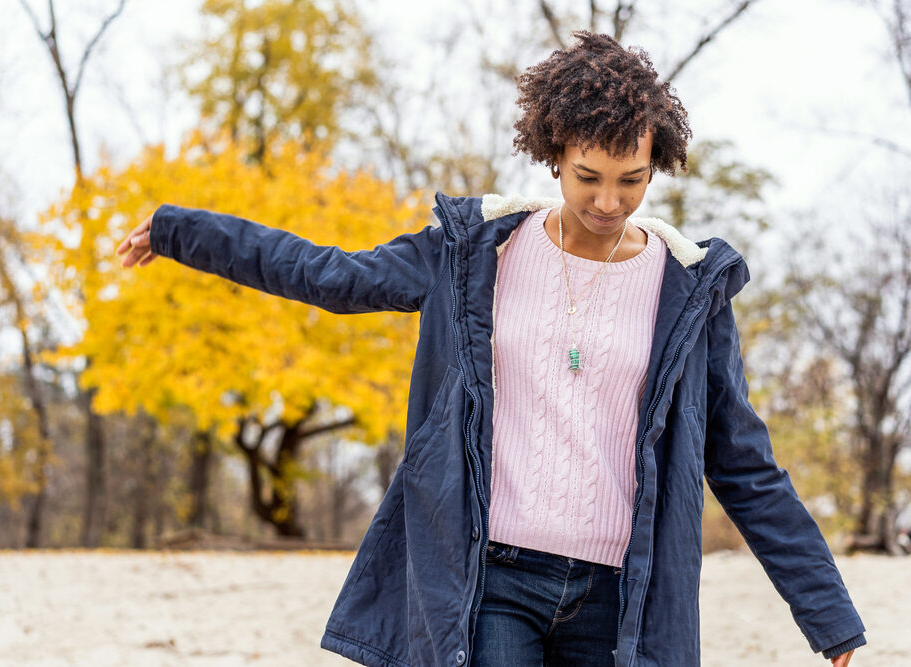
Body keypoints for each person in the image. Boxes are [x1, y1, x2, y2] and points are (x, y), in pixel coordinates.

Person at [117, 31, 864, 667]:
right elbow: (329, 274)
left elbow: (743, 461)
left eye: (631, 180)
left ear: (656, 164)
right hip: (493, 577)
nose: (609, 202)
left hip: (618, 594)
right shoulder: (472, 253)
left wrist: (825, 612)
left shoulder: (689, 293)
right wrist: (185, 230)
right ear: (553, 157)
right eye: (589, 178)